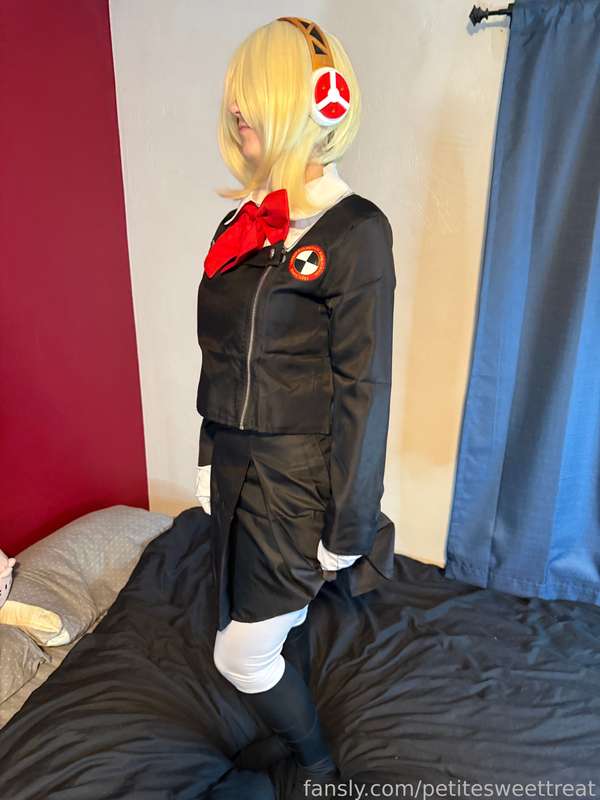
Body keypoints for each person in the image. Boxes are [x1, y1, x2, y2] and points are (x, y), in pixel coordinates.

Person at [195, 16, 396, 797]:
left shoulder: (357, 232)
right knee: (253, 619)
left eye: (251, 94)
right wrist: (210, 453)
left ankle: (317, 765)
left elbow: (365, 389)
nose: (235, 110)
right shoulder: (241, 223)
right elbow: (225, 353)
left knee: (239, 653)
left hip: (295, 481)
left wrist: (349, 525)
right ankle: (290, 728)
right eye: (234, 96)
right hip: (235, 466)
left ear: (303, 101)